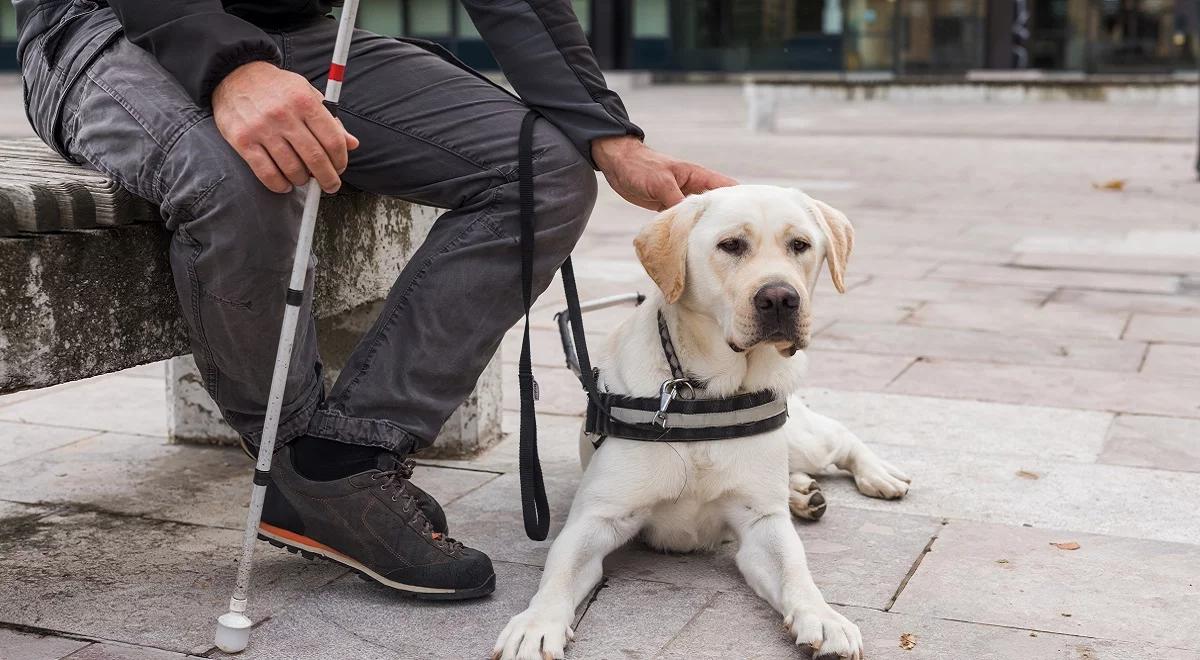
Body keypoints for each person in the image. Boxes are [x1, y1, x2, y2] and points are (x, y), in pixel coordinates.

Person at [16, 0, 734, 598]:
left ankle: (347, 459)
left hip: (296, 32)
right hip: (112, 24)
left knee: (542, 169)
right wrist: (228, 65)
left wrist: (610, 137)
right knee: (239, 174)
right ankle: (303, 473)